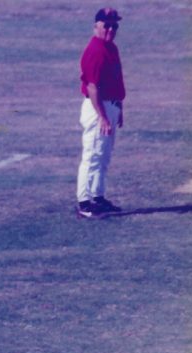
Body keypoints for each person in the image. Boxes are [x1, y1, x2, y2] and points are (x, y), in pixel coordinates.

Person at [76, 7, 126, 219]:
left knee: (103, 156)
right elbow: (92, 87)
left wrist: (118, 109)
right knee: (92, 155)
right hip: (98, 108)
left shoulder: (111, 48)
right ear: (96, 25)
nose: (111, 29)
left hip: (110, 106)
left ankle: (98, 197)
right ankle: (84, 202)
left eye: (114, 25)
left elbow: (114, 81)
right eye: (106, 25)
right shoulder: (95, 50)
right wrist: (103, 116)